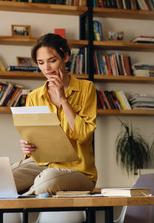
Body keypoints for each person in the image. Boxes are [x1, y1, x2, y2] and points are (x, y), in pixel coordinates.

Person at [12, 33, 97, 195]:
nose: (47, 69)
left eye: (52, 61)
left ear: (65, 57)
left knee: (46, 180)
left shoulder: (86, 88)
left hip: (79, 171)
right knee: (5, 177)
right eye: (41, 63)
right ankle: (26, 195)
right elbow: (34, 147)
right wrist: (27, 146)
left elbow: (84, 136)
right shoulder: (34, 96)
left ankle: (26, 195)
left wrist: (63, 99)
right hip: (43, 165)